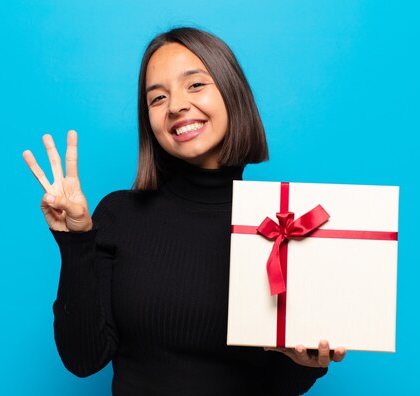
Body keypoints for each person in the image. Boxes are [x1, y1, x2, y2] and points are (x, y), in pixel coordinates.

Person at [23, 27, 346, 395]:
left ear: (231, 92)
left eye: (194, 85)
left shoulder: (285, 225)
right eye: (157, 98)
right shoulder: (118, 214)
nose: (176, 105)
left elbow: (275, 383)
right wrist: (76, 240)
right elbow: (83, 359)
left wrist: (305, 366)